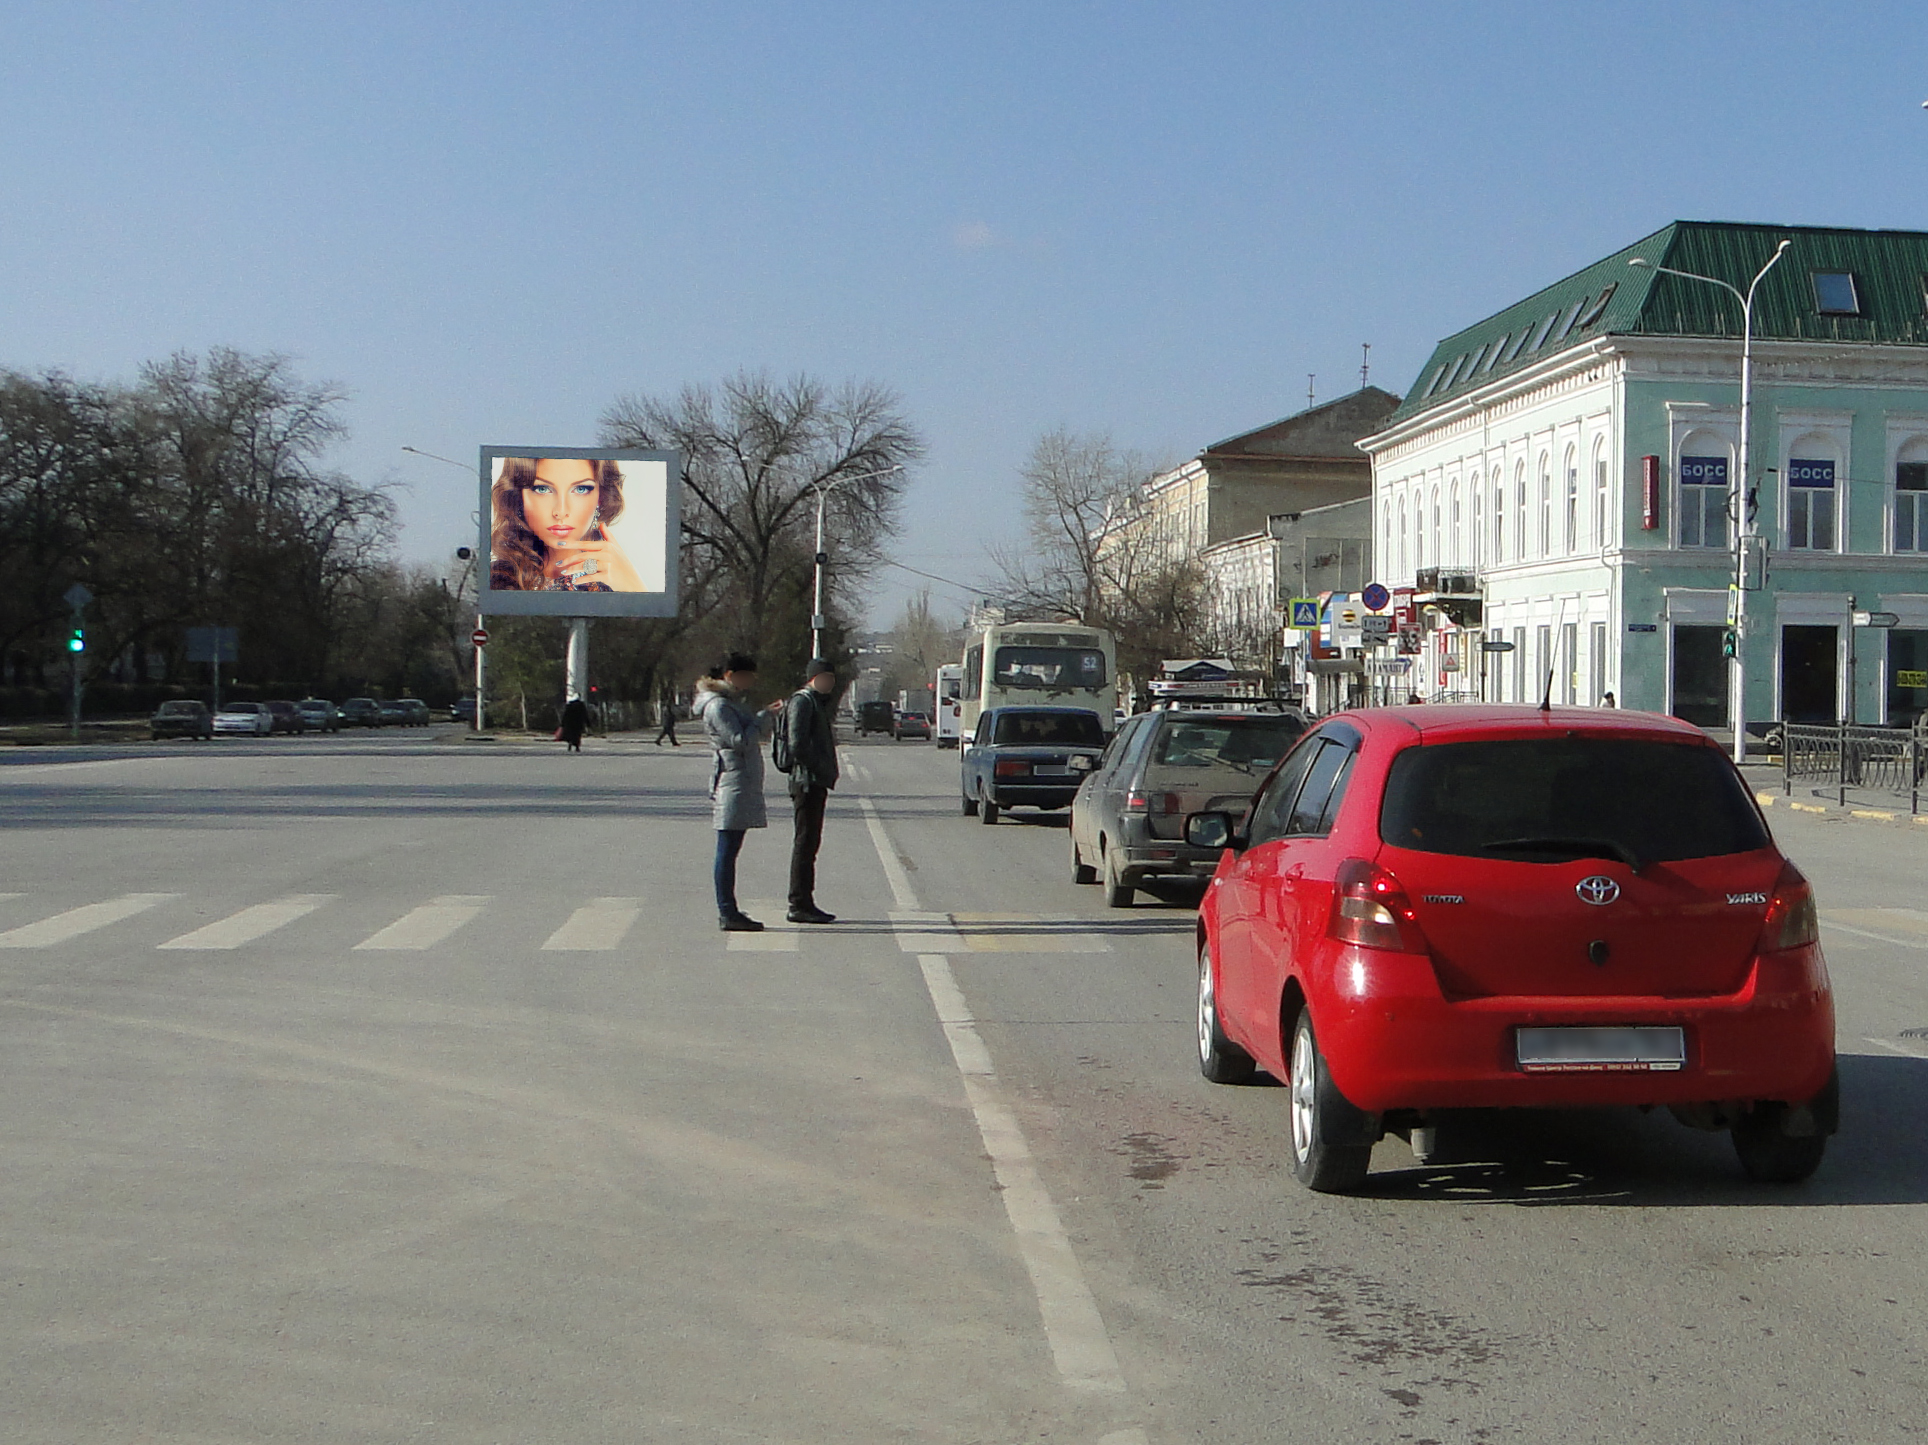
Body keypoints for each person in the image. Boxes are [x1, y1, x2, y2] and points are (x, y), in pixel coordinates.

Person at [695, 654, 784, 932]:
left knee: (731, 848)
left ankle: (730, 909)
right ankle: (727, 911)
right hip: (731, 781)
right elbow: (740, 740)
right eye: (747, 676)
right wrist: (764, 717)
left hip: (740, 780)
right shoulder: (718, 706)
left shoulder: (731, 702)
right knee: (727, 849)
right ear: (731, 675)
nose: (751, 682)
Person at [489, 456, 646, 592]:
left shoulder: (617, 583)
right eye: (542, 489)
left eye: (581, 489)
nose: (561, 511)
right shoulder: (493, 579)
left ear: (601, 497)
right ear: (518, 497)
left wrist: (635, 589)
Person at [782, 658, 841, 925]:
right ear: (813, 677)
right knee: (805, 843)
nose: (830, 683)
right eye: (826, 677)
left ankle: (805, 900)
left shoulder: (814, 701)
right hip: (806, 782)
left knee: (810, 843)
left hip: (814, 781)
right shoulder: (803, 702)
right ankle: (798, 903)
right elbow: (797, 744)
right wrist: (819, 767)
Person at [653, 680, 680, 746]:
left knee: (667, 732)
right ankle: (672, 742)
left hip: (667, 719)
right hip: (668, 719)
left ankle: (659, 740)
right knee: (669, 731)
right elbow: (669, 712)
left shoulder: (667, 704)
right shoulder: (668, 704)